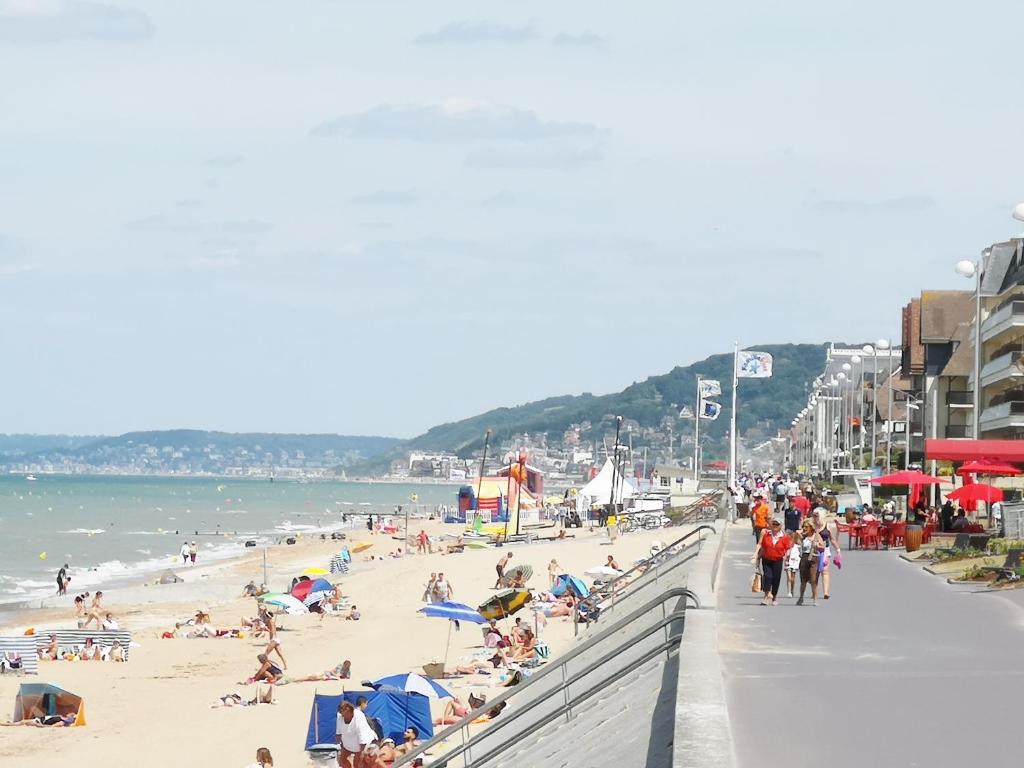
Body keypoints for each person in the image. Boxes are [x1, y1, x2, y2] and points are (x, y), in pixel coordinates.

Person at [754, 519, 791, 606]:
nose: (774, 526)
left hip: (777, 560)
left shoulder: (784, 537)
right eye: (773, 524)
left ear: (780, 526)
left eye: (777, 524)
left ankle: (774, 597)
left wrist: (787, 557)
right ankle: (766, 596)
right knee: (768, 576)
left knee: (776, 579)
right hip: (766, 559)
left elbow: (788, 548)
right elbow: (762, 546)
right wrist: (757, 557)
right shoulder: (766, 535)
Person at [336, 700, 376, 768]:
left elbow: (362, 737)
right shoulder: (340, 717)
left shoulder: (359, 717)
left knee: (357, 764)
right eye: (341, 713)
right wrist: (338, 748)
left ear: (349, 711)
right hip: (347, 746)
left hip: (363, 745)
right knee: (342, 762)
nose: (342, 715)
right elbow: (338, 734)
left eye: (343, 713)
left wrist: (361, 754)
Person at [812, 508, 840, 600]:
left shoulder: (827, 526)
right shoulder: (811, 525)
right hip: (814, 550)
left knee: (825, 571)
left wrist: (838, 550)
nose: (815, 517)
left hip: (825, 551)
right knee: (815, 572)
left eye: (816, 515)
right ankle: (814, 591)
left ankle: (826, 592)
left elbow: (832, 539)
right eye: (814, 515)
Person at [797, 520, 825, 606]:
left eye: (806, 527)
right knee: (803, 580)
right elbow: (796, 539)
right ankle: (801, 597)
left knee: (813, 580)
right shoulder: (802, 537)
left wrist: (817, 545)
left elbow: (823, 547)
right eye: (804, 527)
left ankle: (815, 599)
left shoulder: (816, 536)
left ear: (811, 528)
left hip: (814, 558)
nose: (804, 529)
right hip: (804, 558)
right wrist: (800, 533)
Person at [785, 531, 802, 598]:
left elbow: (801, 541)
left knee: (793, 578)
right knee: (789, 578)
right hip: (788, 561)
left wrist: (798, 534)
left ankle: (792, 590)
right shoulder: (786, 545)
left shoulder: (796, 545)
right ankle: (789, 591)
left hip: (795, 562)